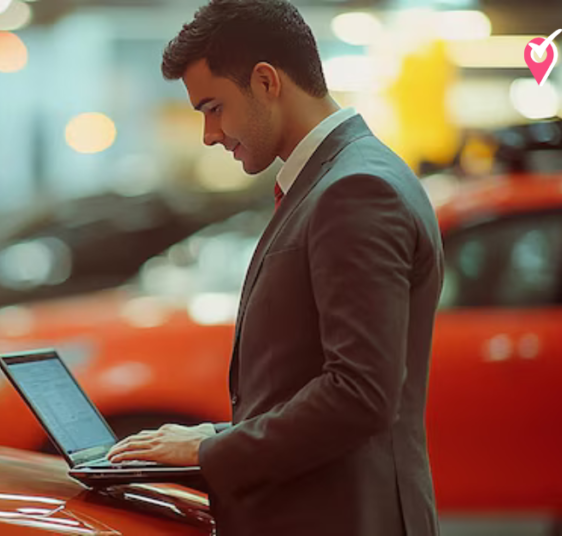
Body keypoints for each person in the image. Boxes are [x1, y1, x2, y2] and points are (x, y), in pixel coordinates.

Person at [107, 1, 443, 535]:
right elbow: (308, 382)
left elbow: (359, 395)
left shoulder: (356, 189)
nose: (209, 134)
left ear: (265, 81)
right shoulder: (342, 176)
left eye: (213, 107)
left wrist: (213, 449)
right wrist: (206, 441)